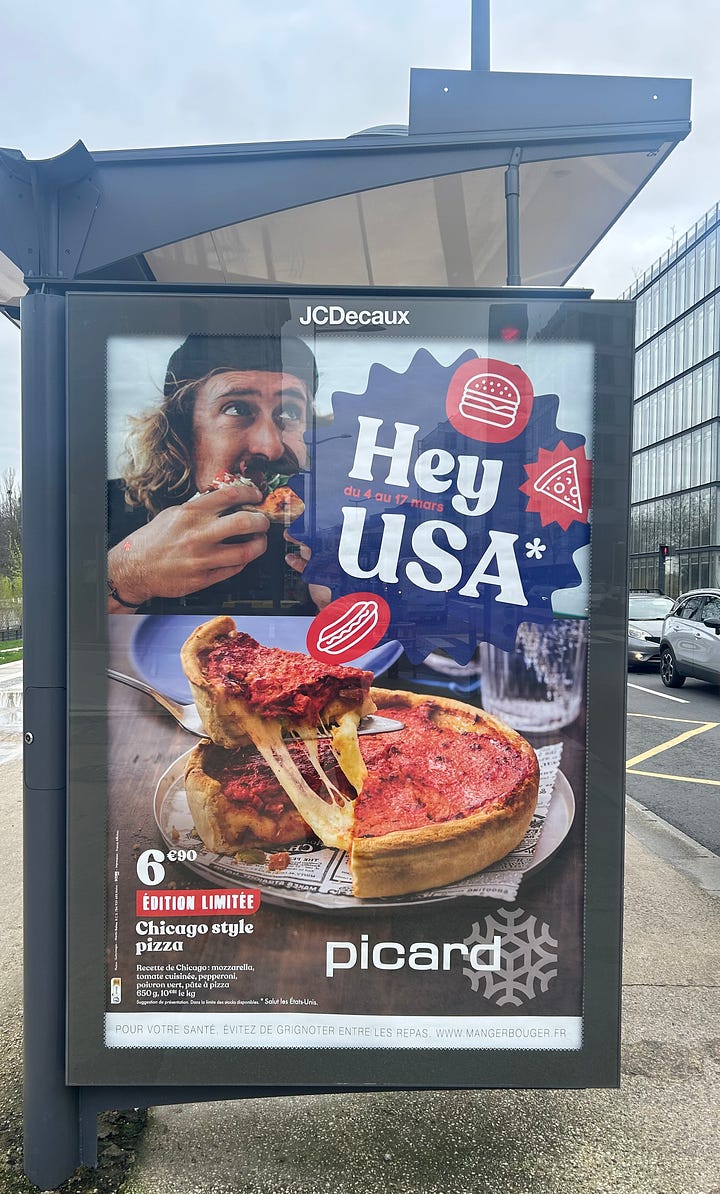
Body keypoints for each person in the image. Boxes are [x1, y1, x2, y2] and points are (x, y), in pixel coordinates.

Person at [106, 333, 321, 615]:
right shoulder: (108, 506)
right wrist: (128, 577)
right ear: (183, 430)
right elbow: (51, 633)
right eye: (237, 408)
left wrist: (339, 604)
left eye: (290, 412)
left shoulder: (346, 524)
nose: (269, 448)